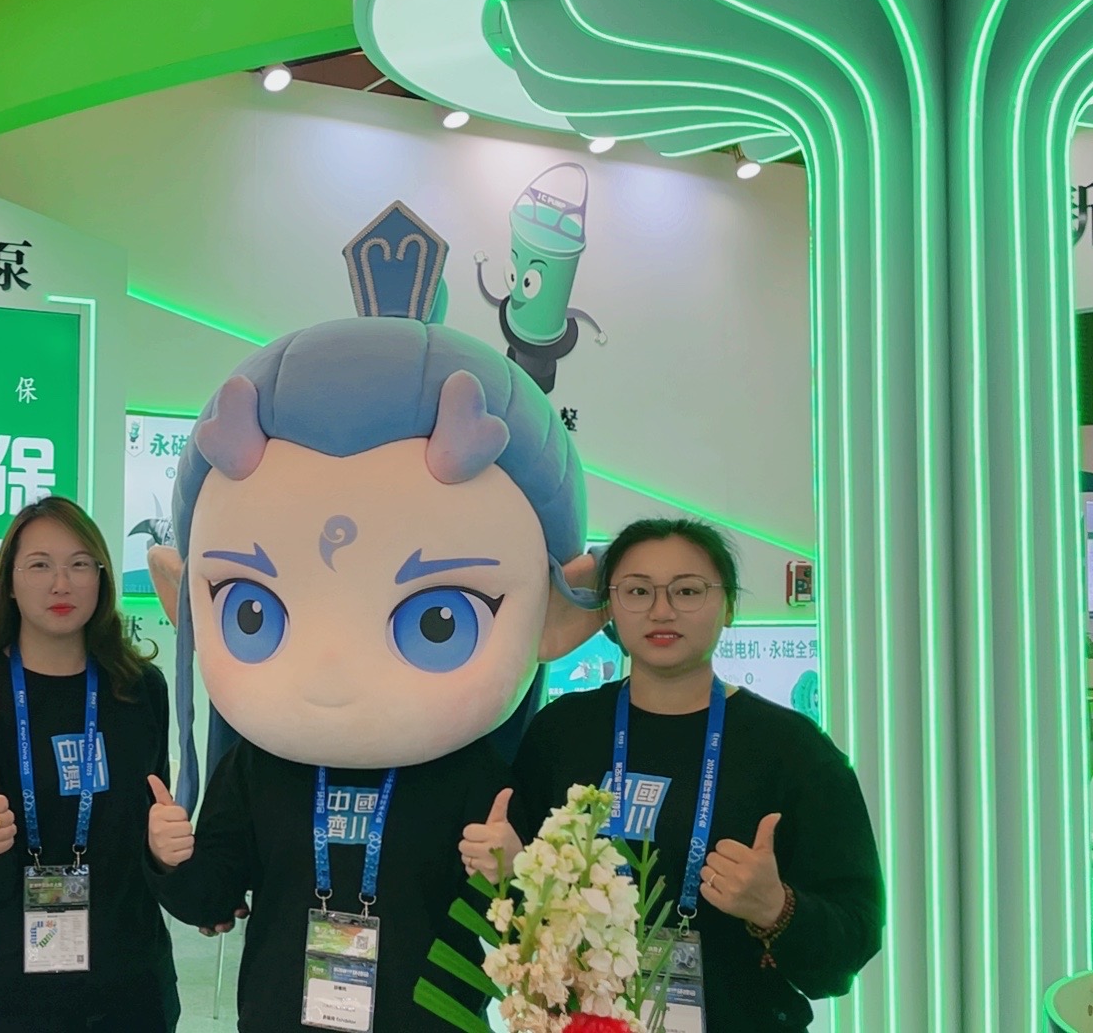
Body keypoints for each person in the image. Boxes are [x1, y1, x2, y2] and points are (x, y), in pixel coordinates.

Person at [140, 200, 607, 1032]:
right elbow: (211, 897)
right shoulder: (259, 770)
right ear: (186, 604)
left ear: (558, 618)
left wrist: (514, 873)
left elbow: (537, 943)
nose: (333, 668)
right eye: (252, 612)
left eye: (438, 621)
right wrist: (170, 858)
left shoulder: (486, 777)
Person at [464, 517, 882, 1031]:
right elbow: (520, 929)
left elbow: (853, 939)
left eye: (687, 590)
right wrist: (513, 871)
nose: (661, 610)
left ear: (729, 606)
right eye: (638, 591)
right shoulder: (561, 732)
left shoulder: (792, 750)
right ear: (610, 608)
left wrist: (776, 908)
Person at [0, 495, 180, 1033]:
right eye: (39, 565)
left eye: (80, 564)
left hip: (131, 979)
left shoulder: (138, 690)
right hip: (11, 989)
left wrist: (169, 856)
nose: (62, 584)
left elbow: (147, 833)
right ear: (9, 583)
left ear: (101, 579)